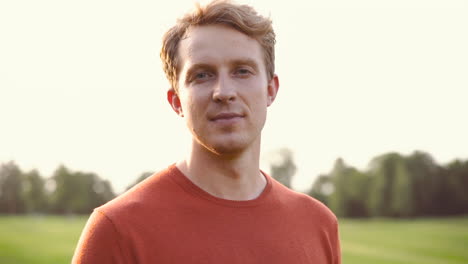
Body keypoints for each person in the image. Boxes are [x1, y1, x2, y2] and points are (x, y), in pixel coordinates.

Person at [72, 0, 341, 263]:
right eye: (202, 75)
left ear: (271, 89)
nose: (224, 92)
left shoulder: (318, 224)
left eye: (242, 71)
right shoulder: (117, 229)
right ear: (176, 100)